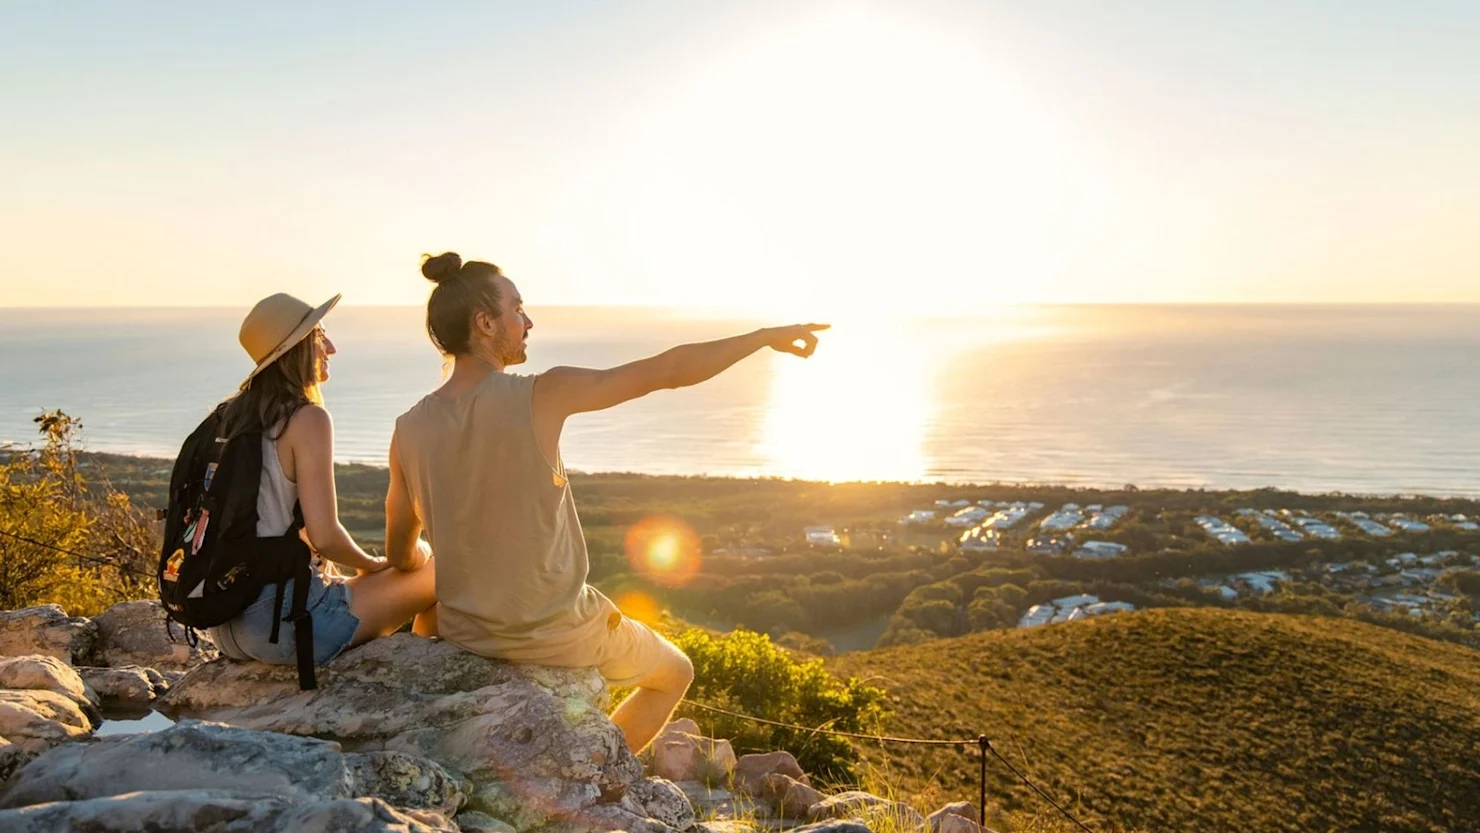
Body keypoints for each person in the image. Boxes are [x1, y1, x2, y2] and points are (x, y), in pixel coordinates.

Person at [387, 252, 827, 753]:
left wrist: (431, 558)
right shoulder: (542, 394)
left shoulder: (407, 430)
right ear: (485, 324)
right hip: (556, 631)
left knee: (427, 621)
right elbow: (670, 369)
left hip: (466, 632)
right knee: (676, 671)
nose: (527, 322)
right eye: (517, 309)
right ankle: (599, 767)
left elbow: (401, 553)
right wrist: (763, 338)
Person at [209, 292, 439, 667]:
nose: (330, 348)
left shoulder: (230, 416)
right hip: (284, 626)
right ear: (296, 349)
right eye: (319, 337)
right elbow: (326, 536)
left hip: (225, 625)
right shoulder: (306, 418)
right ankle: (424, 676)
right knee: (434, 565)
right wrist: (371, 564)